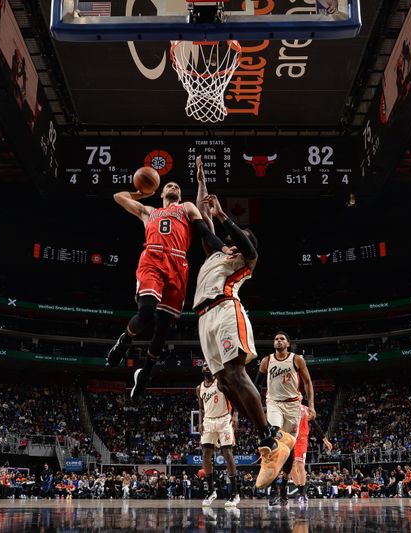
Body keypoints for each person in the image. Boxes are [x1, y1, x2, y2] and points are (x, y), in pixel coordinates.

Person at [192, 169, 293, 489]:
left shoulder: (244, 261)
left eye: (240, 237)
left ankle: (270, 442)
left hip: (225, 309)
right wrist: (201, 184)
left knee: (235, 375)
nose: (234, 241)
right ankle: (274, 440)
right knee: (224, 383)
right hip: (203, 318)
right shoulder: (217, 253)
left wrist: (223, 215)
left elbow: (248, 247)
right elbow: (201, 218)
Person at [106, 178, 230, 404]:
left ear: (180, 196)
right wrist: (140, 192)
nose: (174, 186)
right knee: (145, 314)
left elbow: (204, 232)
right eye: (170, 185)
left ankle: (144, 375)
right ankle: (124, 340)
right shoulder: (148, 211)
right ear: (161, 192)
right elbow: (118, 197)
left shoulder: (187, 207)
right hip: (152, 259)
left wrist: (222, 247)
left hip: (178, 264)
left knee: (162, 330)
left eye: (178, 186)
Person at [256, 332, 316, 504]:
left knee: (288, 449)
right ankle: (274, 489)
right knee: (274, 434)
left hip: (293, 406)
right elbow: (256, 384)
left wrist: (311, 405)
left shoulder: (296, 359)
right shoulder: (267, 360)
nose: (279, 341)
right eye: (276, 339)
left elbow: (307, 382)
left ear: (288, 343)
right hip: (274, 403)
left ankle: (283, 487)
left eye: (282, 339)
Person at [196, 362, 240, 508]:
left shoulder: (221, 383)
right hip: (208, 421)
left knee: (227, 453)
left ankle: (234, 494)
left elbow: (236, 398)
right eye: (203, 365)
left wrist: (235, 415)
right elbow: (201, 408)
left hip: (224, 419)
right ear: (201, 369)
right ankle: (211, 492)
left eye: (208, 364)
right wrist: (201, 422)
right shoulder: (199, 388)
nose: (206, 366)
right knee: (206, 455)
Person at [290, 404, 332, 504]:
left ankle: (302, 493)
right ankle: (301, 492)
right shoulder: (288, 406)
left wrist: (325, 441)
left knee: (299, 464)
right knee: (291, 466)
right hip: (291, 439)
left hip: (301, 439)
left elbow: (315, 425)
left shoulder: (305, 409)